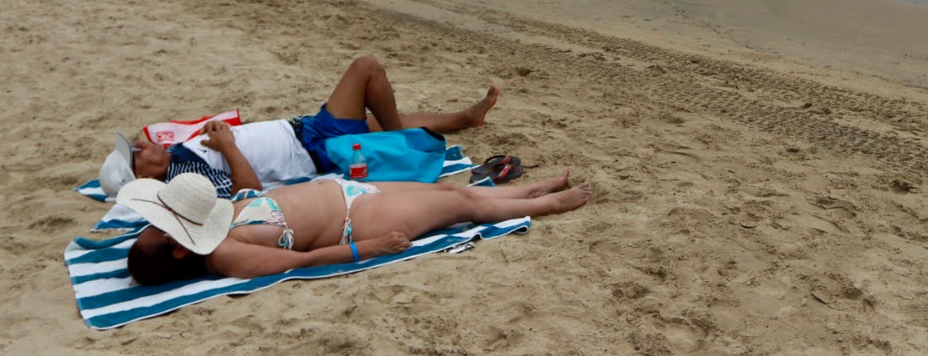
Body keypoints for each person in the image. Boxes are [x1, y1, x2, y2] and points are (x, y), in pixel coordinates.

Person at [99, 55, 501, 199]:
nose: (141, 144)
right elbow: (246, 193)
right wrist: (228, 145)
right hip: (313, 149)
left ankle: (465, 119)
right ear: (143, 178)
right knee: (366, 68)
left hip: (304, 131)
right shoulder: (186, 180)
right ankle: (403, 142)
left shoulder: (176, 158)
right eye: (136, 153)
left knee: (373, 121)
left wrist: (220, 135)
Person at [123, 169, 592, 283]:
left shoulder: (208, 221)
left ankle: (527, 191)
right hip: (355, 220)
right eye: (161, 229)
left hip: (344, 189)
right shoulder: (227, 255)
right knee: (461, 204)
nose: (161, 224)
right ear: (180, 249)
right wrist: (371, 247)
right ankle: (548, 204)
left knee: (451, 190)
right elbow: (303, 261)